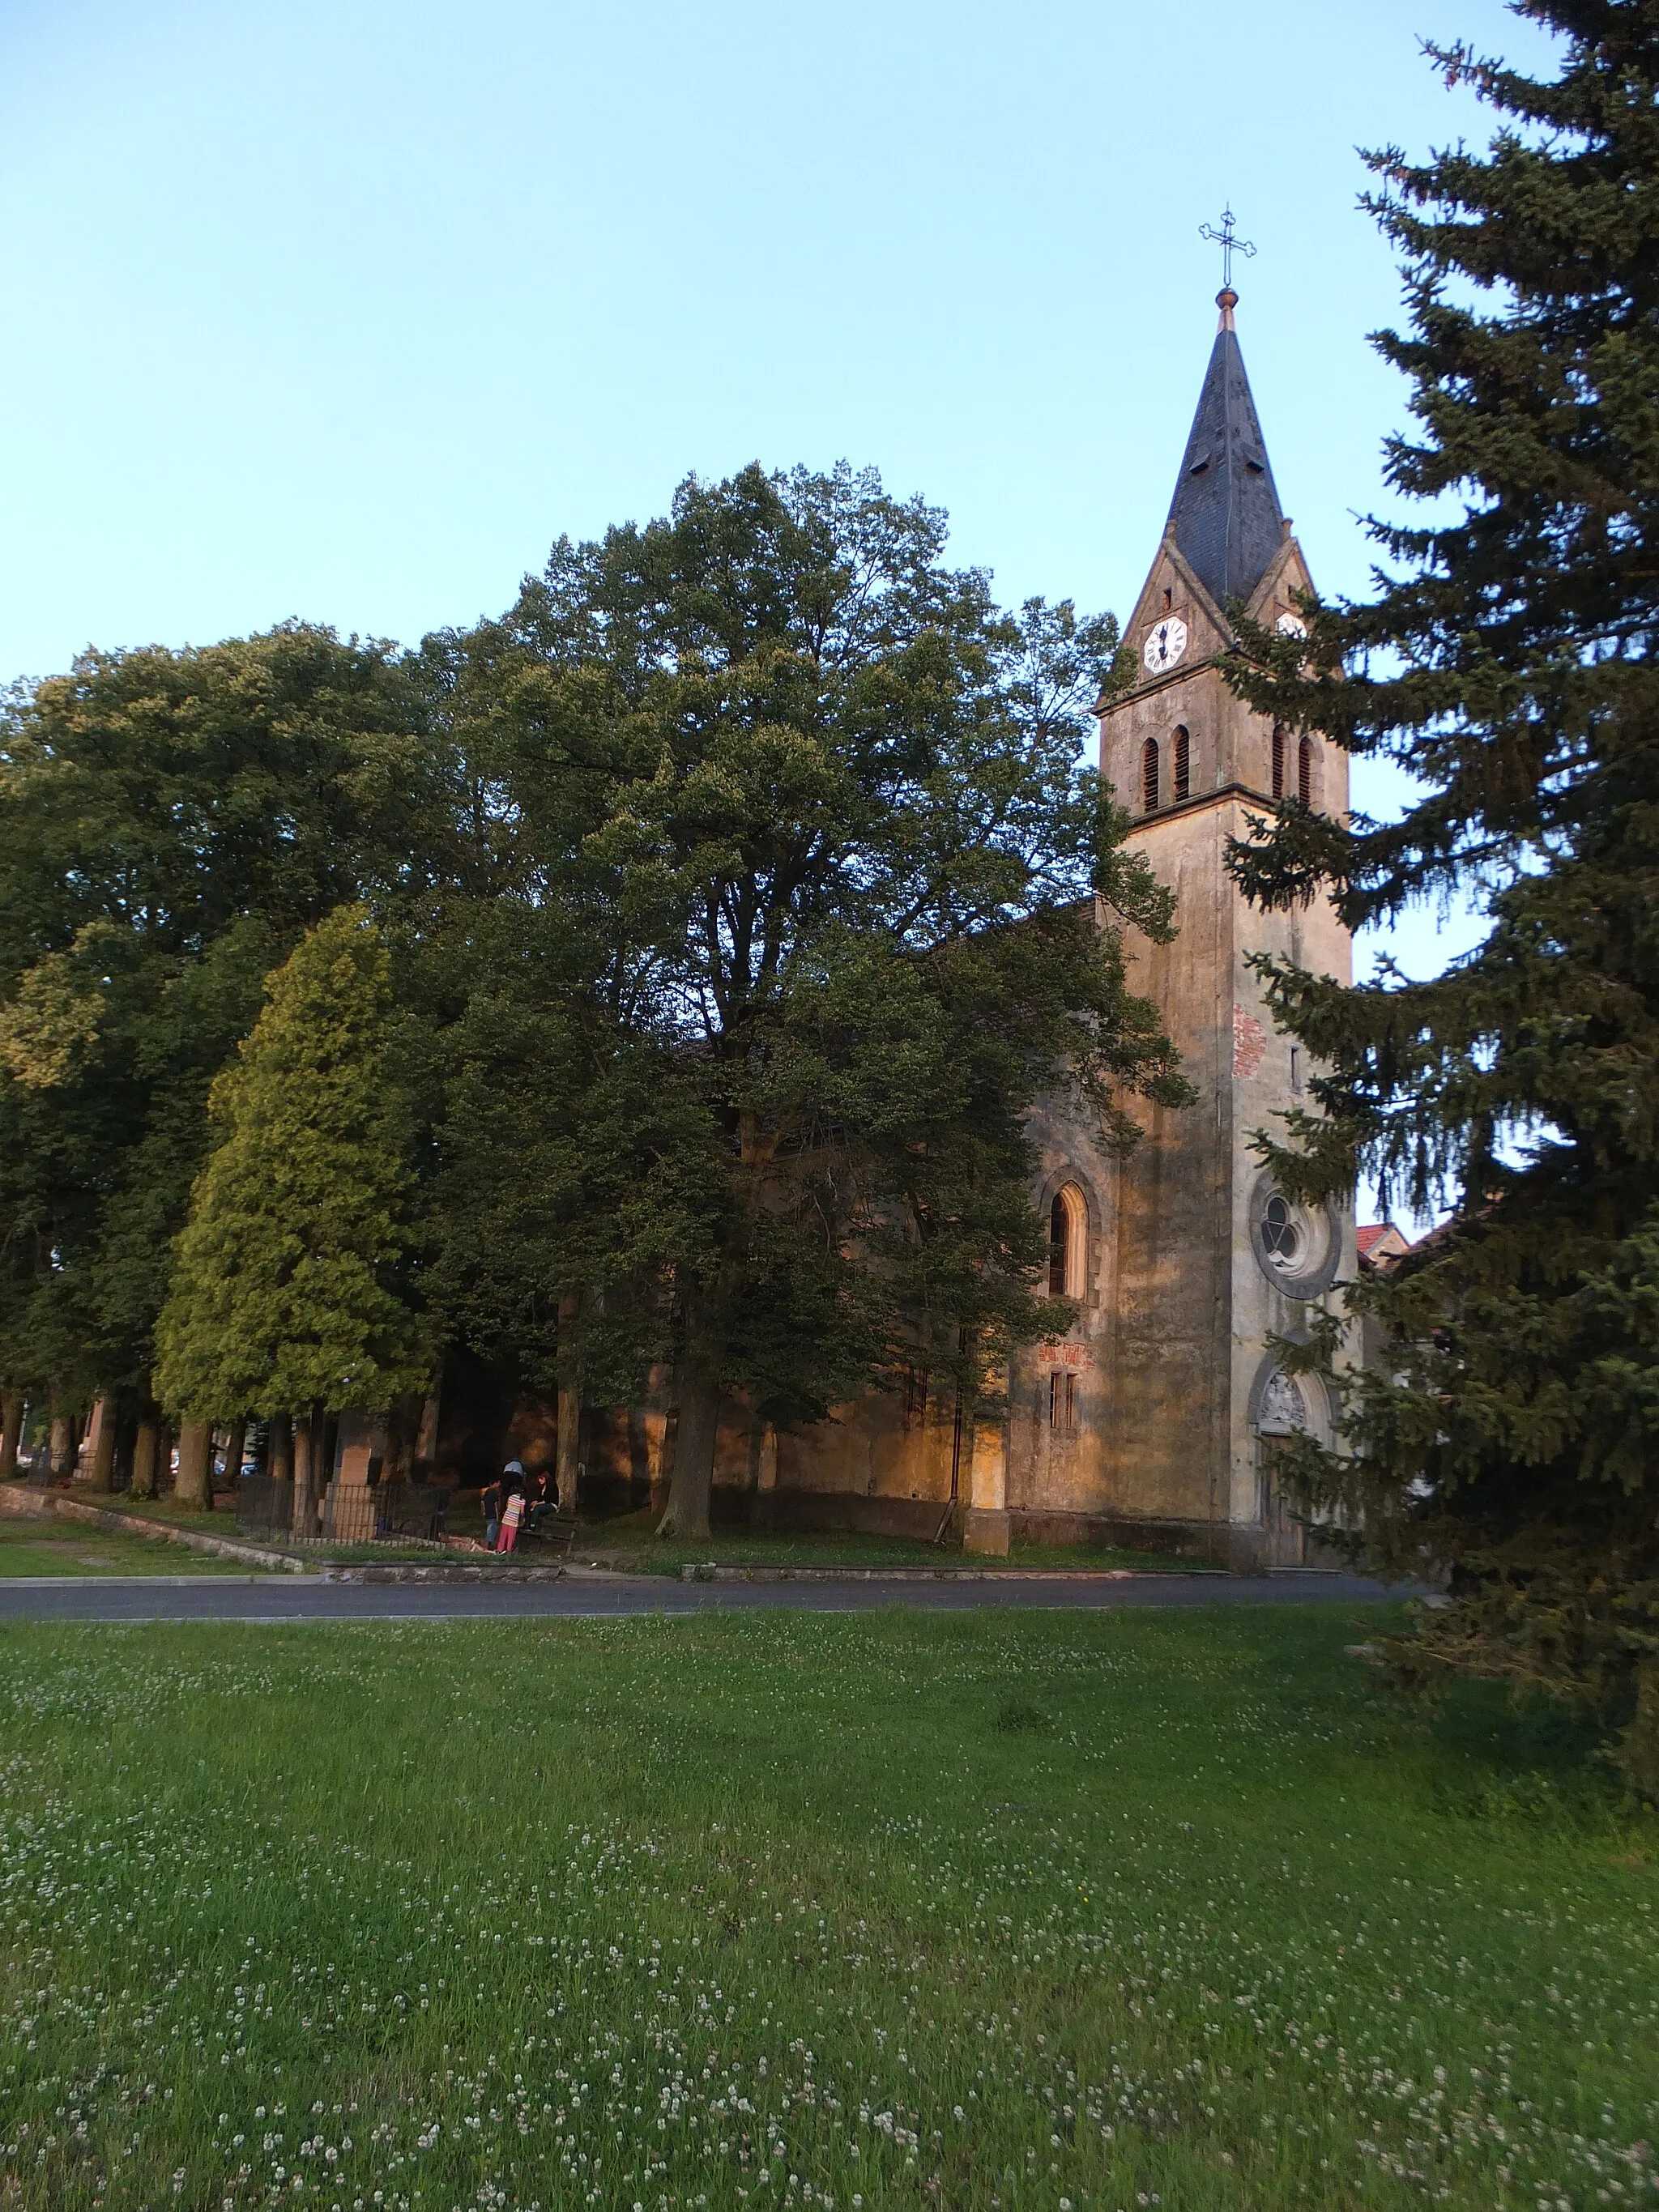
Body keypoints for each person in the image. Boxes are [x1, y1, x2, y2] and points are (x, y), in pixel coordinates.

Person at [481, 1466, 510, 1552]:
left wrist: (483, 1511)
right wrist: (498, 1515)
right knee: (492, 1528)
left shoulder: (486, 1492)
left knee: (489, 1526)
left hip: (487, 1513)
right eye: (499, 1483)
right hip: (493, 1513)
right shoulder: (495, 1492)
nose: (500, 1484)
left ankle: (489, 1542)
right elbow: (496, 1505)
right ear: (496, 1483)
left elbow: (482, 1502)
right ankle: (489, 1543)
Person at [497, 1481, 526, 1554]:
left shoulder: (511, 1497)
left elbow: (507, 1506)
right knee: (511, 1536)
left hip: (506, 1518)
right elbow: (522, 1511)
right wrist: (522, 1517)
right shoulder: (522, 1500)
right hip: (514, 1521)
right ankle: (509, 1550)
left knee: (503, 1535)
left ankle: (500, 1549)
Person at [526, 1468, 553, 1532]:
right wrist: (535, 1501)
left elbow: (547, 1499)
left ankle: (532, 1526)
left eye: (542, 1479)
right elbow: (540, 1498)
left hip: (551, 1504)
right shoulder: (543, 1487)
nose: (540, 1480)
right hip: (544, 1503)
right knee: (530, 1506)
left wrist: (536, 1504)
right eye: (539, 1479)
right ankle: (527, 1524)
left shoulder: (551, 1486)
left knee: (537, 1508)